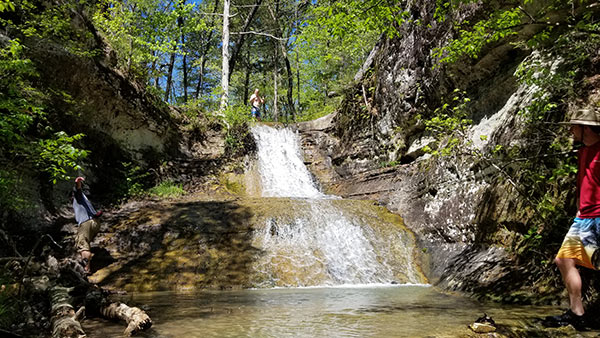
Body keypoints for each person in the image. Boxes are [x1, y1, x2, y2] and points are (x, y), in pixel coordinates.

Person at [544, 108, 600, 330]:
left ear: (586, 128)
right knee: (563, 260)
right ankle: (577, 314)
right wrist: (579, 210)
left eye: (574, 126)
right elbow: (583, 185)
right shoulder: (583, 152)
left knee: (566, 261)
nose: (570, 130)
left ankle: (579, 315)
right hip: (584, 216)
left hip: (597, 215)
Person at [72, 176, 102, 273]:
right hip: (95, 222)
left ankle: (86, 269)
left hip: (86, 222)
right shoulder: (85, 199)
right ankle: (87, 266)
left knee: (82, 245)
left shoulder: (78, 196)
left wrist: (78, 182)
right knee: (85, 242)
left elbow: (78, 190)